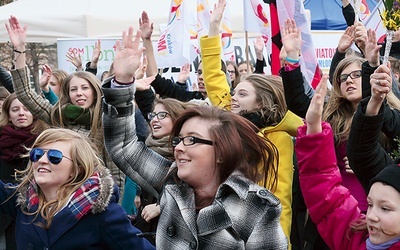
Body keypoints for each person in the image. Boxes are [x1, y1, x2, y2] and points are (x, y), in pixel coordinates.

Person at [102, 25, 287, 249]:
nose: (178, 147)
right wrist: (122, 82)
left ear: (221, 151)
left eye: (191, 139)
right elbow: (123, 147)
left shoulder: (255, 206)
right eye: (179, 139)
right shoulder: (171, 182)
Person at [199, 1, 301, 247]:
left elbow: (281, 199)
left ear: (261, 102)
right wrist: (214, 28)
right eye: (235, 92)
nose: (233, 98)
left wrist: (280, 243)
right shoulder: (230, 121)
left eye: (242, 94)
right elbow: (214, 77)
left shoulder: (280, 135)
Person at [6, 16, 126, 199]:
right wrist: (19, 49)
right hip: (59, 195)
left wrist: (114, 204)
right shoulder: (58, 116)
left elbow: (115, 171)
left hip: (93, 197)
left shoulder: (106, 120)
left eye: (85, 88)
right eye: (73, 89)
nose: (79, 93)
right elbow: (25, 94)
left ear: (95, 92)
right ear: (67, 94)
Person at [0, 128, 154, 249]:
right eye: (37, 154)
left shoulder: (101, 213)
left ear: (76, 169)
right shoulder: (23, 200)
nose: (42, 160)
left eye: (54, 157)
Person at [296, 75, 400, 250]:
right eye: (369, 205)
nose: (371, 216)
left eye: (385, 209)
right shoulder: (356, 238)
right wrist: (313, 127)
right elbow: (327, 198)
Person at [0, 93, 48, 250]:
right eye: (15, 109)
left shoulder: (45, 141)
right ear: (8, 114)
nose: (21, 113)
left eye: (26, 109)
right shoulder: (2, 140)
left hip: (32, 213)